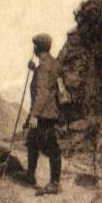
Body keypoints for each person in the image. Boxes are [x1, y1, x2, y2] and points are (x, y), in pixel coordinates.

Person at [24, 32, 63, 193]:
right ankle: (30, 175)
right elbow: (50, 83)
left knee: (51, 146)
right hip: (51, 111)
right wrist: (35, 69)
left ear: (37, 48)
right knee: (32, 142)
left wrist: (34, 115)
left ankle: (54, 183)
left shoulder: (44, 68)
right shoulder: (52, 63)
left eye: (34, 46)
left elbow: (42, 92)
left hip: (44, 114)